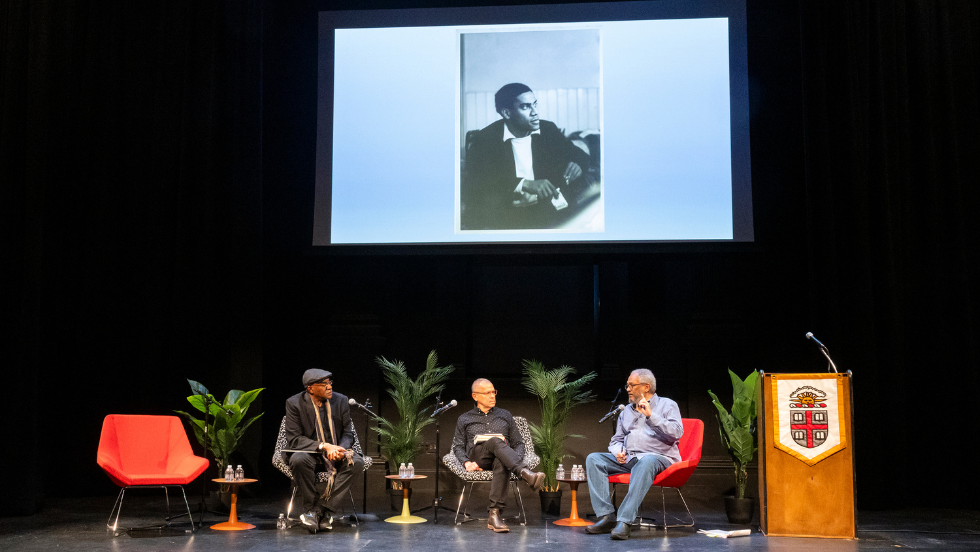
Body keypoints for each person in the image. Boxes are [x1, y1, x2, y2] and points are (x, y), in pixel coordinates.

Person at [461, 82, 592, 230]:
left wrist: (577, 164)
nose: (535, 112)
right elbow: (476, 182)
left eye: (535, 104)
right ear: (507, 113)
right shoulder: (485, 139)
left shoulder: (547, 129)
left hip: (546, 211)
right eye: (525, 107)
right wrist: (523, 184)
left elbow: (580, 155)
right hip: (506, 215)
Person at [584, 369, 684, 540]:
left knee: (647, 461)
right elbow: (616, 440)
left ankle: (624, 520)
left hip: (659, 458)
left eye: (632, 385)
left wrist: (651, 416)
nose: (628, 389)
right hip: (631, 458)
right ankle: (607, 516)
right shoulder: (626, 411)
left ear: (646, 387)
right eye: (627, 385)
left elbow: (677, 432)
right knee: (594, 459)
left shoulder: (668, 405)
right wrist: (618, 451)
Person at [451, 378, 547, 532]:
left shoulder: (505, 415)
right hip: (478, 458)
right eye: (487, 393)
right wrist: (466, 463)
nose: (492, 396)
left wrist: (512, 458)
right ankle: (524, 473)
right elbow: (457, 446)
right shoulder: (465, 418)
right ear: (475, 396)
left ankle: (494, 514)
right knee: (495, 441)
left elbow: (519, 443)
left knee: (501, 460)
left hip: (502, 458)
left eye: (493, 392)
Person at [282, 369, 364, 534]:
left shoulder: (341, 400)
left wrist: (340, 449)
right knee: (298, 459)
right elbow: (294, 439)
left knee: (357, 462)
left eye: (330, 382)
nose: (329, 387)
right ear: (310, 388)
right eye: (324, 384)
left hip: (336, 452)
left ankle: (319, 511)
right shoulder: (294, 403)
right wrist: (324, 446)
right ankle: (312, 508)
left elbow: (348, 433)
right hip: (310, 452)